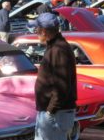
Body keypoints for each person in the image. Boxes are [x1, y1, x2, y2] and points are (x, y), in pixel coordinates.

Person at [28, 12, 77, 140]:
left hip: (56, 114)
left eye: (36, 29)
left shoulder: (58, 49)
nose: (35, 32)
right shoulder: (55, 46)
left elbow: (62, 85)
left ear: (44, 31)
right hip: (54, 112)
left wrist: (50, 111)